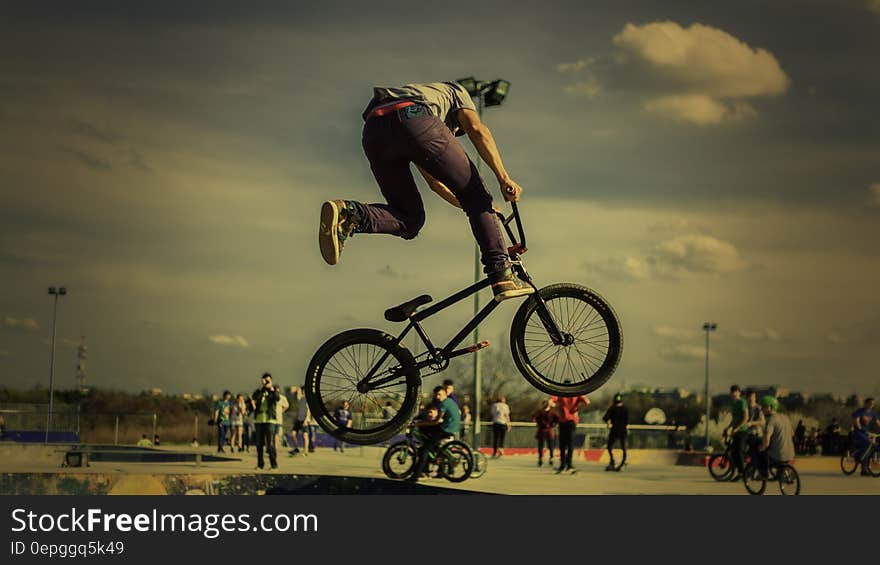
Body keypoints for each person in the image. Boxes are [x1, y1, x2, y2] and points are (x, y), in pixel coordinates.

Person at [317, 81, 533, 301]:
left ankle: (350, 213)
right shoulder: (456, 91)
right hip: (415, 116)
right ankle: (501, 272)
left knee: (410, 220)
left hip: (374, 129)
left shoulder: (426, 104)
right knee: (476, 194)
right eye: (454, 131)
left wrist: (472, 207)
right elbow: (477, 130)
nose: (454, 133)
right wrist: (502, 178)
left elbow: (435, 182)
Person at [409, 386, 461, 482]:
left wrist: (419, 423)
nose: (437, 397)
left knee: (425, 449)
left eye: (439, 394)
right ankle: (434, 454)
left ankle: (415, 476)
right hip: (452, 428)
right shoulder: (450, 401)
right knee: (431, 437)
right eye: (436, 395)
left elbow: (436, 422)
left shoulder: (443, 404)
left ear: (445, 394)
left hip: (446, 429)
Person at [756, 396, 795, 478]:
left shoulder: (771, 420)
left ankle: (763, 474)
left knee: (760, 453)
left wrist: (761, 447)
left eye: (763, 406)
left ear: (770, 407)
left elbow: (766, 440)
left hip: (779, 456)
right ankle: (783, 471)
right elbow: (792, 434)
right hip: (791, 454)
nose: (761, 409)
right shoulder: (785, 417)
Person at [552, 393, 590, 474]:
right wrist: (577, 407)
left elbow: (550, 402)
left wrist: (558, 409)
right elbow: (587, 402)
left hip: (562, 421)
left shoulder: (560, 394)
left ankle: (562, 466)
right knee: (570, 444)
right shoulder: (577, 394)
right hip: (572, 421)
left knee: (562, 445)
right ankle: (569, 465)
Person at [251, 372, 281, 470]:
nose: (266, 382)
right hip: (259, 420)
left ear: (271, 381)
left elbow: (277, 398)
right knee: (259, 444)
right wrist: (262, 387)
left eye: (268, 380)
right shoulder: (260, 391)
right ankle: (260, 464)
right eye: (265, 380)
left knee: (270, 443)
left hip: (270, 420)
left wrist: (271, 389)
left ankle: (274, 464)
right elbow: (254, 397)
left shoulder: (274, 390)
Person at [724, 385, 749, 478]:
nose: (734, 393)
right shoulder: (734, 404)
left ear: (739, 392)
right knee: (733, 452)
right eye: (732, 392)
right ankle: (739, 472)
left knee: (739, 452)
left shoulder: (742, 402)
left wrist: (737, 428)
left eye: (735, 391)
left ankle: (743, 473)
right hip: (735, 431)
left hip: (742, 431)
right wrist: (728, 427)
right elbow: (734, 419)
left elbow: (746, 418)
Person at [851, 397, 878, 476]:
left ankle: (864, 470)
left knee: (870, 448)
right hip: (858, 433)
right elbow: (857, 421)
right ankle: (858, 457)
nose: (871, 405)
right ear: (866, 404)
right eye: (870, 403)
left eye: (873, 404)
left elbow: (878, 422)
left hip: (866, 433)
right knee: (868, 443)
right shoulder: (860, 411)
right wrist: (860, 428)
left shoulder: (873, 413)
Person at [603, 393, 628, 471]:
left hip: (614, 430)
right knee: (623, 448)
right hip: (623, 430)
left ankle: (612, 461)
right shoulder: (625, 409)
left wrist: (608, 422)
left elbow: (605, 418)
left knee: (609, 447)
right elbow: (627, 421)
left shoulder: (612, 408)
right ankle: (623, 462)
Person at [532, 398, 558, 468]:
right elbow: (534, 417)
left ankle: (551, 458)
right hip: (541, 430)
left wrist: (553, 424)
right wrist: (538, 423)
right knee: (541, 446)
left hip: (549, 430)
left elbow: (557, 419)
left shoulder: (553, 412)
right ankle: (540, 458)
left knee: (551, 446)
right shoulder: (539, 411)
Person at [290, 387, 310, 456]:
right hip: (298, 419)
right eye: (302, 390)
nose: (303, 392)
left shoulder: (308, 399)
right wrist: (296, 389)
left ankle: (305, 451)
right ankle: (296, 448)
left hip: (304, 420)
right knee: (293, 434)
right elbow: (297, 393)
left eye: (304, 391)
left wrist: (306, 420)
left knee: (305, 436)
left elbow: (308, 411)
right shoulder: (301, 398)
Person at [745, 389, 765, 457]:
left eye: (753, 396)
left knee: (753, 452)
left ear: (755, 398)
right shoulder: (745, 407)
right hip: (746, 432)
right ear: (747, 398)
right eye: (750, 396)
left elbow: (762, 422)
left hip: (754, 433)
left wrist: (752, 423)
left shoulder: (758, 408)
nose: (751, 398)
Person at [274, 385, 290, 451]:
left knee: (277, 433)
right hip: (271, 418)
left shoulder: (282, 398)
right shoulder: (271, 397)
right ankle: (272, 446)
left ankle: (275, 447)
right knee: (271, 433)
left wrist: (281, 411)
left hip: (278, 418)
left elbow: (287, 406)